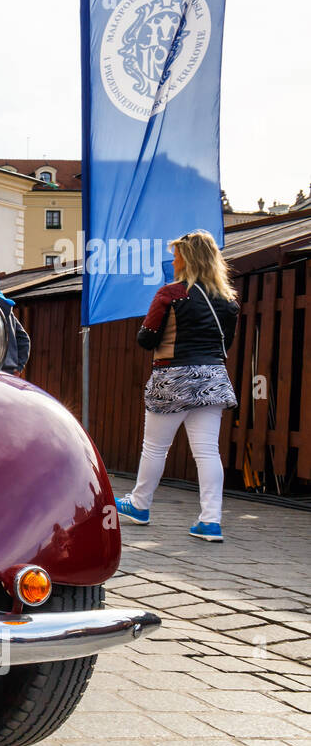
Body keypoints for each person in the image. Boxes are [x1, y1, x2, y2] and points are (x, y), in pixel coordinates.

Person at [117, 230, 239, 543]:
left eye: (176, 255)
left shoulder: (171, 294)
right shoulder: (228, 302)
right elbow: (226, 343)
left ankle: (140, 504)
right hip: (213, 378)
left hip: (173, 376)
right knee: (207, 451)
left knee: (156, 447)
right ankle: (210, 521)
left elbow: (147, 338)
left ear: (186, 258)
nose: (172, 261)